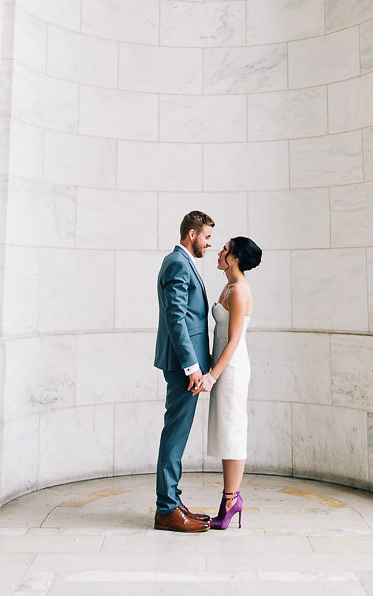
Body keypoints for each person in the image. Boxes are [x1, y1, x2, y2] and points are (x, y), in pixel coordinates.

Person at [193, 235, 262, 530]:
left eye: (224, 249)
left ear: (234, 258)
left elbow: (234, 341)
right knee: (225, 433)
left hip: (231, 370)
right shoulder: (228, 286)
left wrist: (212, 375)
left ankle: (232, 500)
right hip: (222, 367)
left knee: (233, 432)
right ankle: (228, 498)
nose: (218, 252)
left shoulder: (239, 291)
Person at [153, 210, 215, 533]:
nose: (208, 244)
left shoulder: (183, 263)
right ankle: (166, 509)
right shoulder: (178, 263)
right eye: (206, 237)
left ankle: (172, 501)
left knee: (177, 432)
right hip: (183, 367)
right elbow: (177, 319)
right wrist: (192, 367)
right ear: (192, 235)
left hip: (185, 365)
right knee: (175, 435)